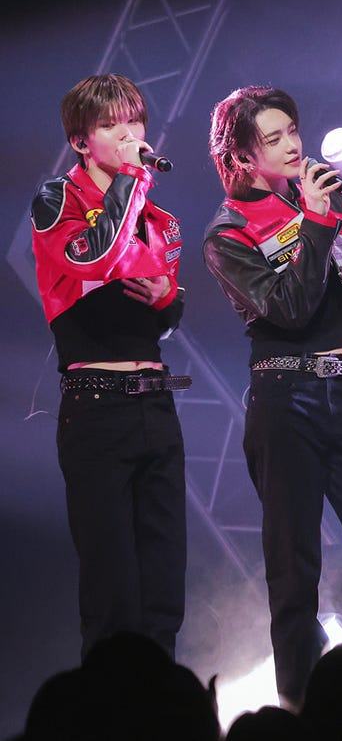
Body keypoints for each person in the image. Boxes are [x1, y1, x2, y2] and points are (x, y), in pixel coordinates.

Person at [203, 85, 342, 705]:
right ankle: (303, 710)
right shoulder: (228, 233)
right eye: (273, 138)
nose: (292, 144)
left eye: (293, 130)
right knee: (295, 580)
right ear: (241, 157)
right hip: (285, 401)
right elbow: (291, 309)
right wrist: (316, 222)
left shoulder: (329, 204)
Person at [30, 74, 188, 657]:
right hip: (96, 408)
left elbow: (165, 318)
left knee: (163, 590)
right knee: (112, 593)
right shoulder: (57, 201)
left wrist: (168, 299)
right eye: (110, 124)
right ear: (80, 140)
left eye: (135, 121)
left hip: (157, 402)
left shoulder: (160, 220)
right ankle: (110, 701)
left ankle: (166, 699)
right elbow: (93, 258)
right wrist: (129, 180)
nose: (128, 134)